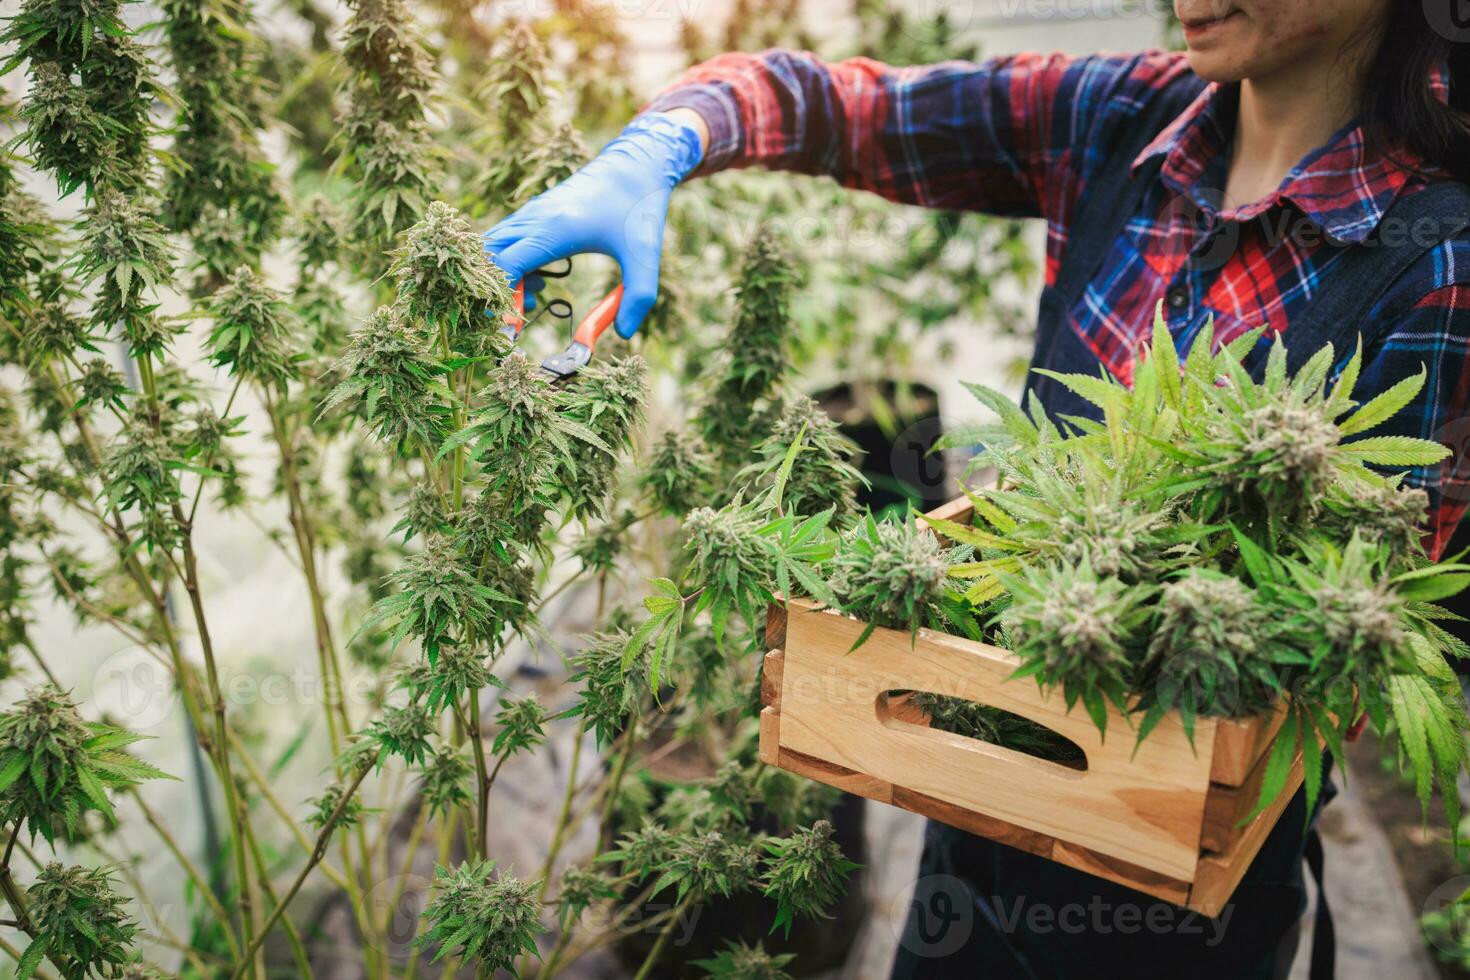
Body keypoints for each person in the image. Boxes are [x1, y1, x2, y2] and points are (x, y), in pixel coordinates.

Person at [484, 1, 1470, 975]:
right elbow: (832, 106)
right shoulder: (1120, 116)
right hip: (976, 825)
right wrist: (661, 146)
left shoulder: (1439, 252)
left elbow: (1381, 638)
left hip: (1182, 890)